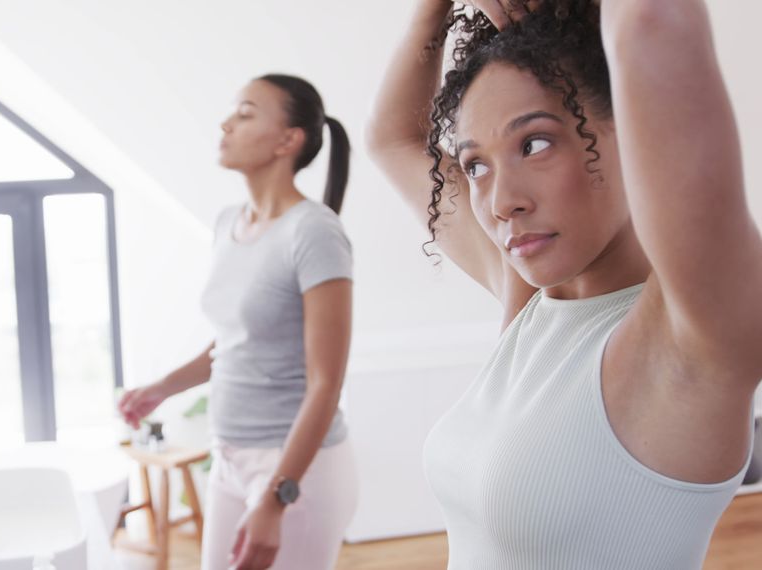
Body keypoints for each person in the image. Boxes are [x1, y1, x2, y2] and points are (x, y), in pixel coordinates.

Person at [367, 1, 761, 567]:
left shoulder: (693, 334)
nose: (503, 202)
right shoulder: (529, 299)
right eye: (476, 165)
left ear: (631, 130)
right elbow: (394, 139)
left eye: (534, 144)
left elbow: (653, 20)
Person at [119, 73, 357, 570]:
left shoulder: (314, 231)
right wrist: (161, 387)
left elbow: (325, 384)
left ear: (288, 140)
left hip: (293, 470)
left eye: (246, 113)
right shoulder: (229, 222)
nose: (226, 123)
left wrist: (276, 497)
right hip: (228, 456)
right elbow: (232, 343)